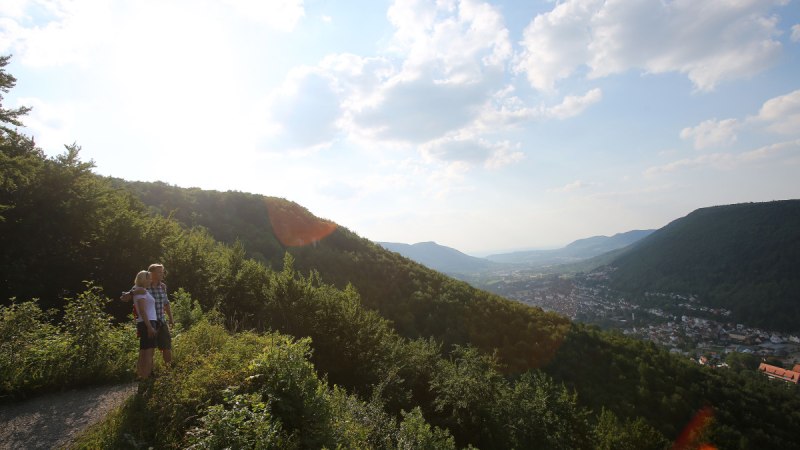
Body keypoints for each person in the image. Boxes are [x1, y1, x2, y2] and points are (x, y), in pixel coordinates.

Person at [122, 263, 175, 365]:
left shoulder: (162, 287)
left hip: (161, 320)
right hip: (149, 322)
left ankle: (169, 372)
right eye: (159, 272)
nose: (162, 274)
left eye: (163, 272)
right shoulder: (143, 285)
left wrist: (171, 319)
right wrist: (133, 293)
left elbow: (166, 303)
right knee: (150, 349)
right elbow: (124, 298)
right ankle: (148, 373)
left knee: (167, 347)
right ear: (152, 273)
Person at [132, 270, 158, 379]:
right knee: (148, 352)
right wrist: (149, 327)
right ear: (143, 279)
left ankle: (141, 376)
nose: (150, 280)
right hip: (148, 322)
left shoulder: (140, 291)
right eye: (148, 278)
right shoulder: (141, 291)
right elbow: (142, 310)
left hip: (144, 322)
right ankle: (146, 378)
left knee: (143, 351)